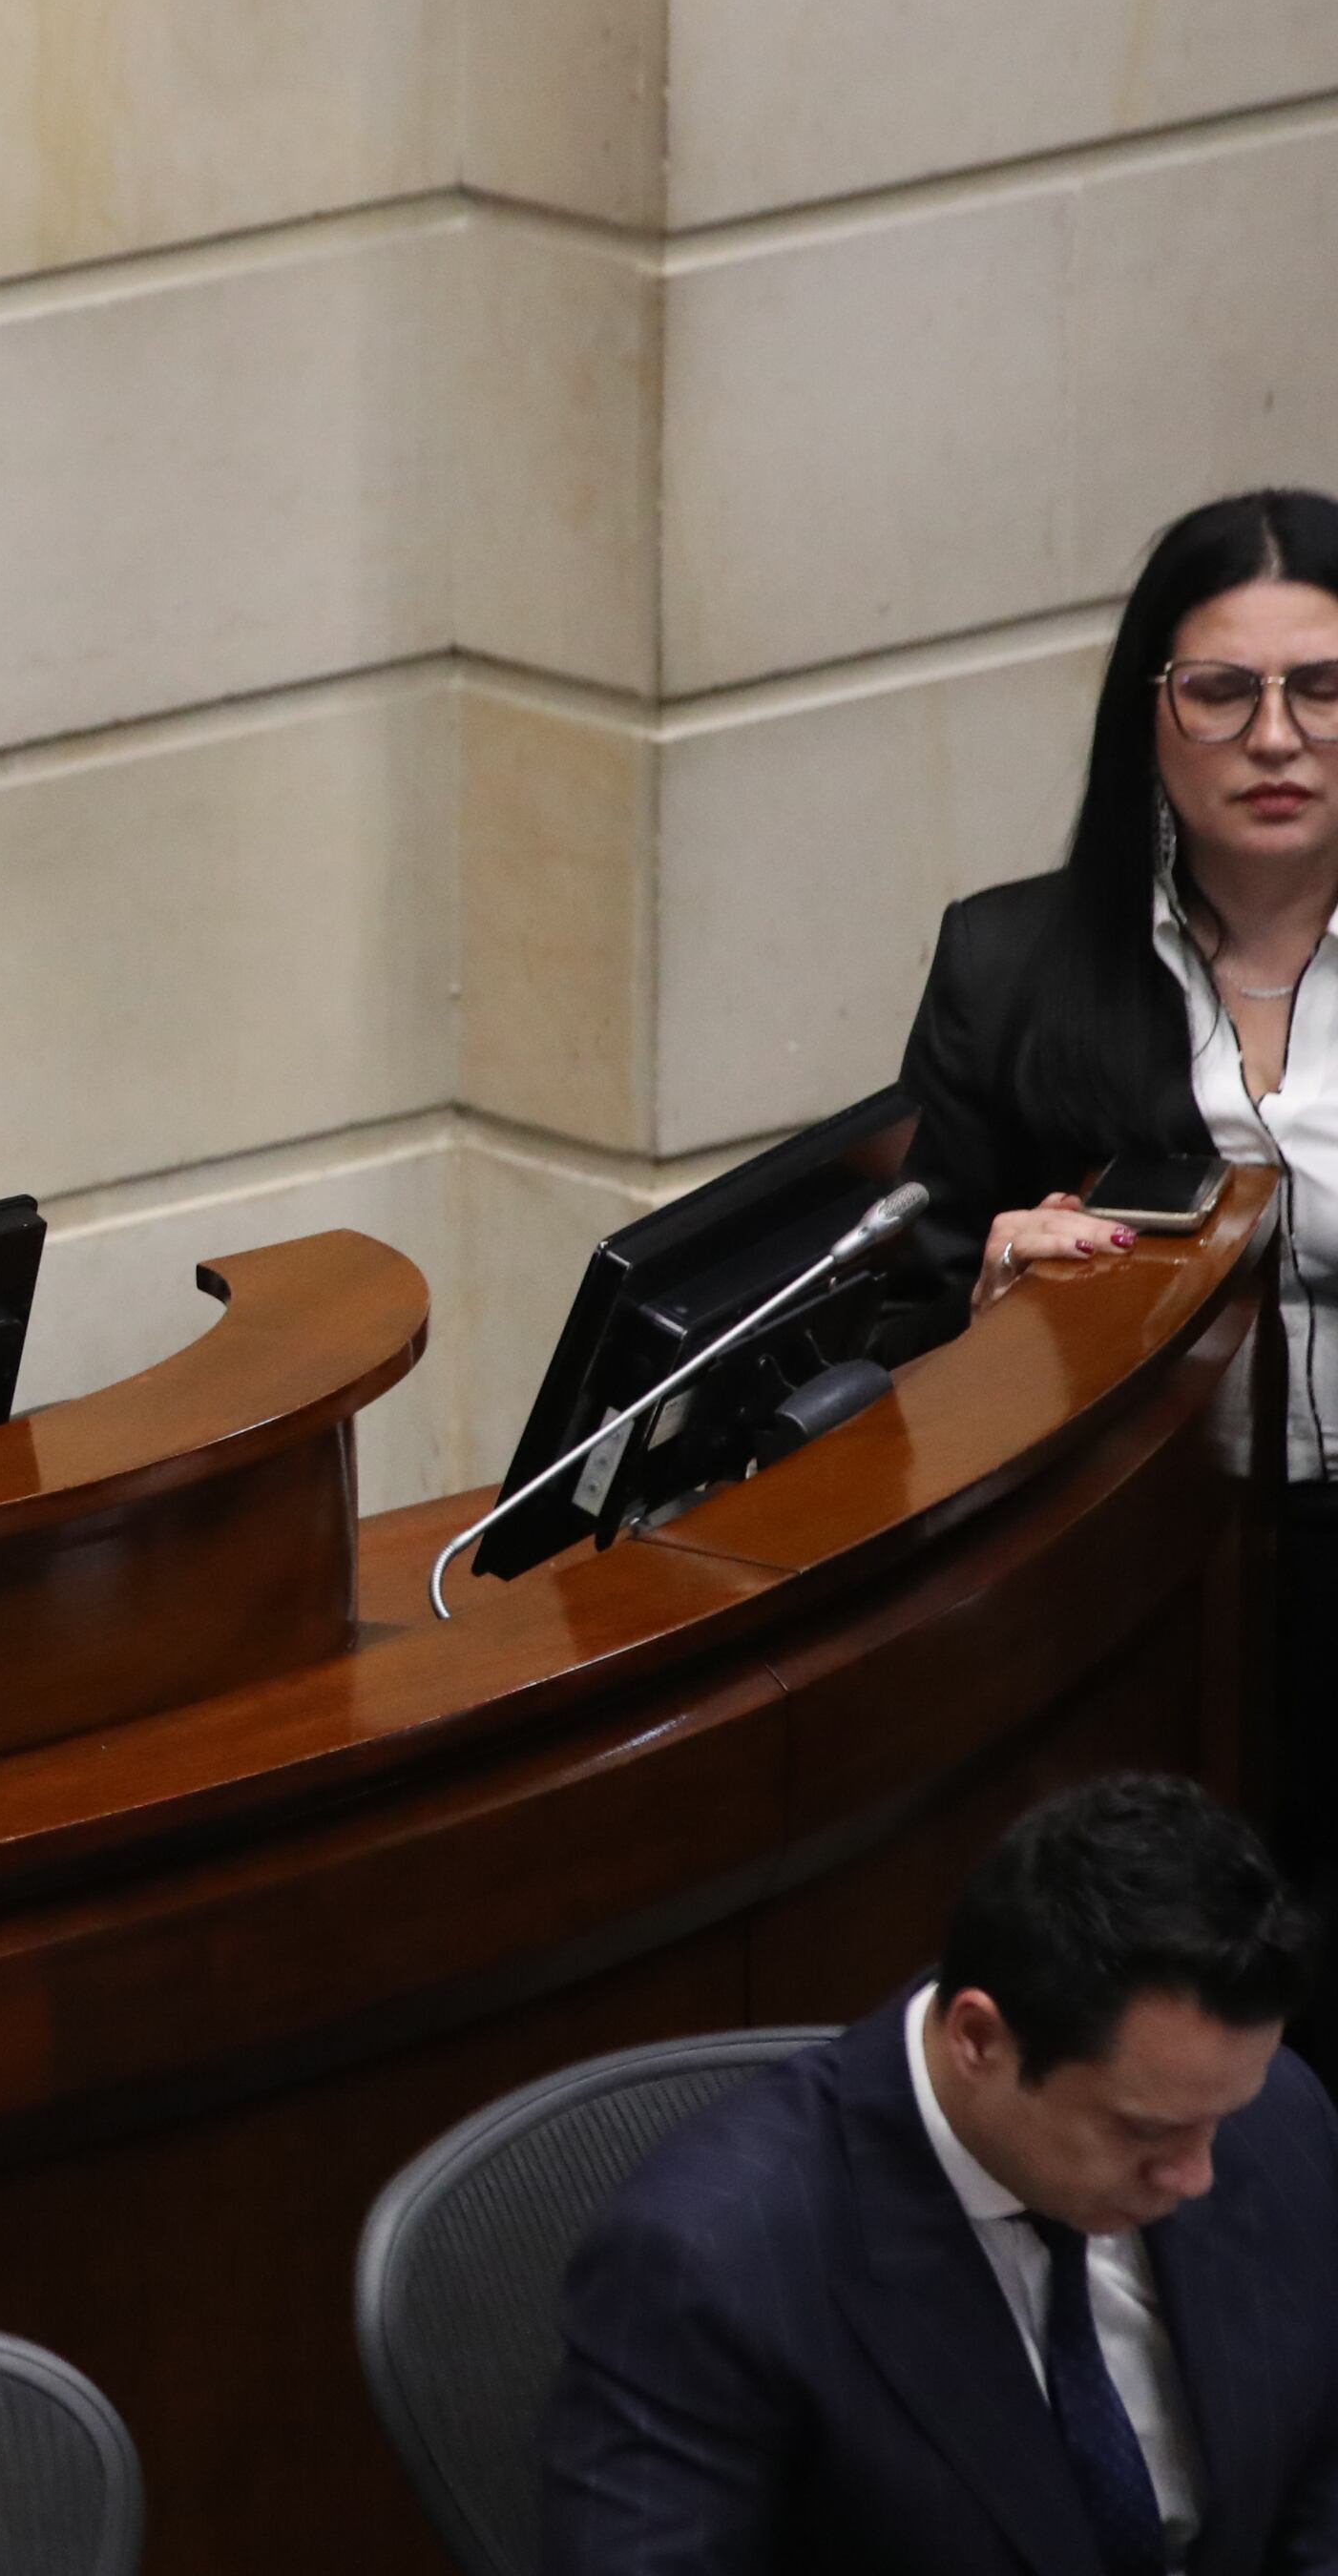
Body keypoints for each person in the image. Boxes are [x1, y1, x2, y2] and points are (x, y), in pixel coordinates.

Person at [893, 488, 1338, 1959]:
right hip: (1140, 1583)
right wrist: (999, 1315)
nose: (1277, 739)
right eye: (1223, 692)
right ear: (1150, 712)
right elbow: (896, 1339)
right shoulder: (1010, 963)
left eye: (1324, 688)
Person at [542, 1773, 1337, 2576]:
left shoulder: (1275, 2117)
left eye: (1223, 2115)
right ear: (979, 2040)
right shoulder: (709, 2269)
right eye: (1145, 2130)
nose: (1196, 2176)